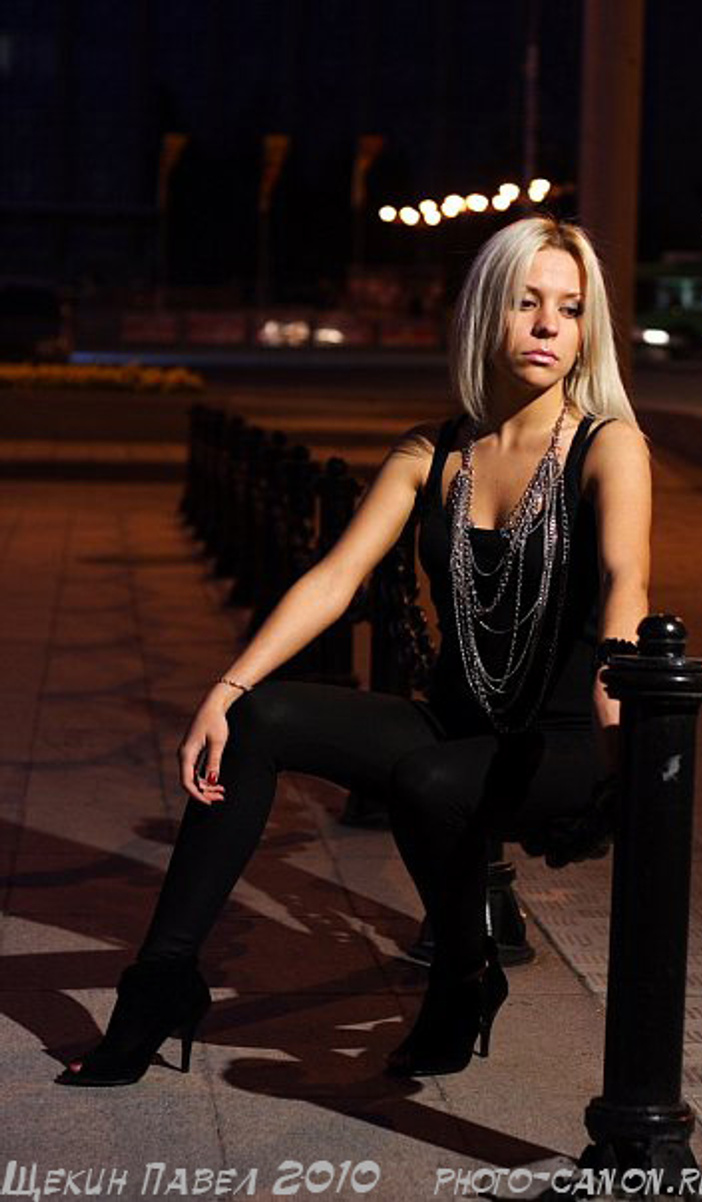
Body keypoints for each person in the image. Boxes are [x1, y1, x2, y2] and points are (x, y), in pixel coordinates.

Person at [55, 215, 651, 1087]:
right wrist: (225, 689)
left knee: (430, 782)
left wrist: (621, 725)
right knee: (259, 720)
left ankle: (462, 976)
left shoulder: (609, 446)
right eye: (526, 303)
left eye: (569, 308)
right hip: (455, 726)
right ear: (485, 312)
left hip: (560, 743)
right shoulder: (432, 453)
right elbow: (334, 578)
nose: (548, 326)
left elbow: (628, 585)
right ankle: (160, 983)